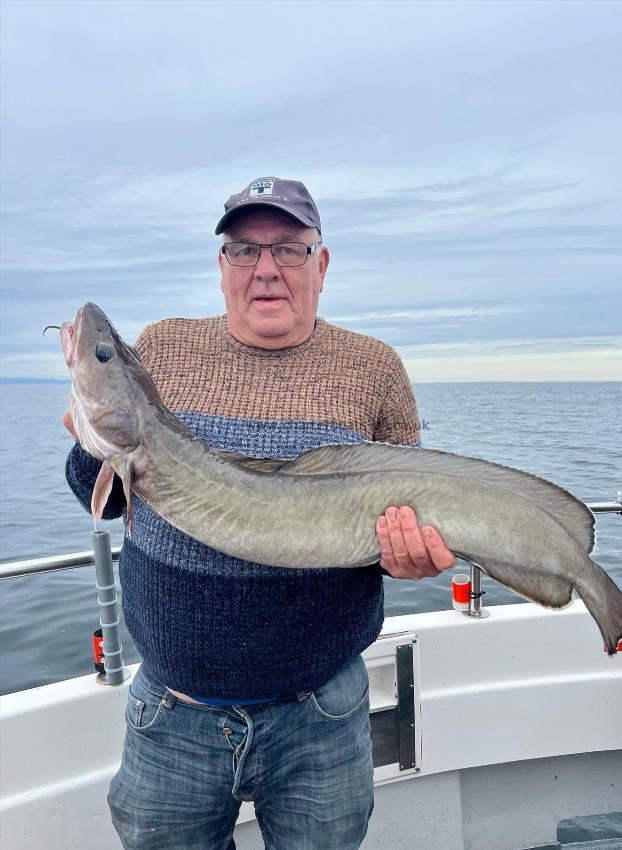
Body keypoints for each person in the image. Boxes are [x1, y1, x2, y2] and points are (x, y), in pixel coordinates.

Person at [64, 177, 456, 850]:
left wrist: (412, 556)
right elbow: (105, 498)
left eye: (289, 249)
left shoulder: (375, 369)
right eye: (245, 250)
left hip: (322, 717)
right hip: (172, 717)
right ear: (222, 269)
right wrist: (90, 445)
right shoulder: (160, 348)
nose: (266, 269)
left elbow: (406, 519)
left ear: (321, 265)